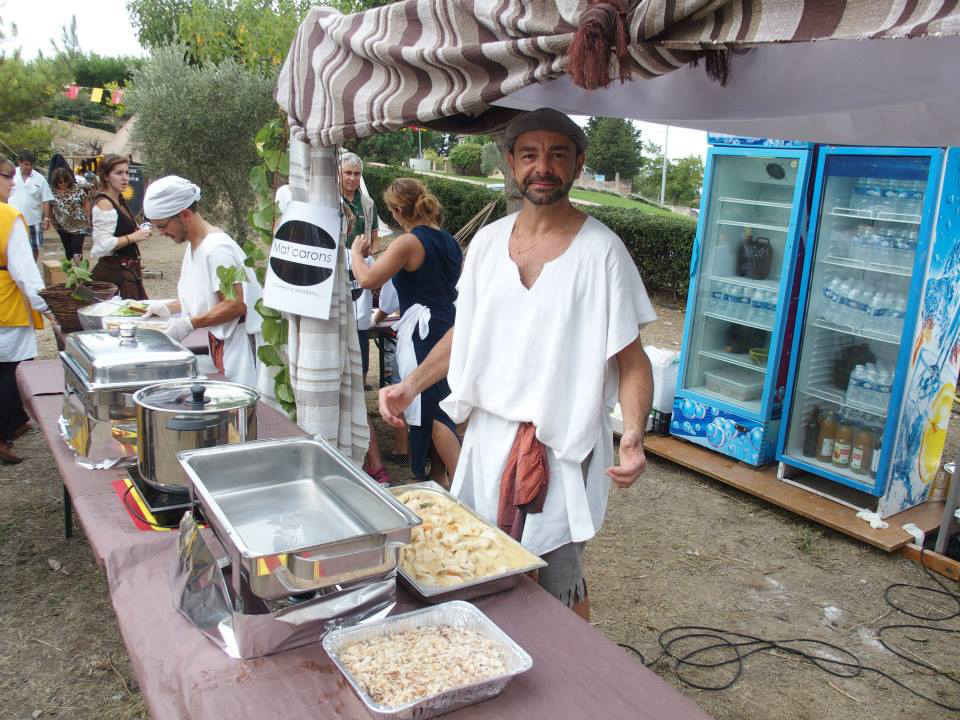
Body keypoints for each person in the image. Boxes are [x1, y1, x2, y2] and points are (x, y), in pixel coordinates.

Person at [379, 109, 656, 619]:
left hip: (561, 449)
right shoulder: (486, 244)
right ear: (511, 163)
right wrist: (411, 385)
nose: (542, 167)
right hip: (487, 441)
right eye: (530, 155)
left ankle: (576, 681)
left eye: (557, 154)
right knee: (484, 567)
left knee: (558, 580)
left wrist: (634, 433)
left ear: (578, 164)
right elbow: (466, 333)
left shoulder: (603, 253)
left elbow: (632, 360)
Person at [352, 178, 462, 484]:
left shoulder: (408, 242)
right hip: (448, 323)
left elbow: (368, 280)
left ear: (398, 211)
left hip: (423, 333)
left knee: (433, 410)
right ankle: (438, 476)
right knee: (441, 402)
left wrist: (356, 255)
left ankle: (465, 485)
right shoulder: (449, 240)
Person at [141, 176, 262, 388]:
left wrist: (189, 323)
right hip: (222, 345)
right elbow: (209, 295)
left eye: (162, 226)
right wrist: (169, 308)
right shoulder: (195, 246)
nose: (161, 233)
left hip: (242, 349)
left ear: (185, 214)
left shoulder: (217, 250)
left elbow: (235, 304)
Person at [0, 158, 55, 464]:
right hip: (5, 304)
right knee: (13, 369)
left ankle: (16, 422)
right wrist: (47, 305)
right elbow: (24, 270)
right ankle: (2, 433)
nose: (12, 183)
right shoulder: (7, 216)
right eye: (7, 178)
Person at [340, 152, 380, 387]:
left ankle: (362, 384)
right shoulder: (331, 200)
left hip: (359, 269)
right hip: (337, 269)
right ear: (339, 173)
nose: (352, 178)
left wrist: (369, 253)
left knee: (360, 326)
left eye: (356, 174)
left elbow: (375, 239)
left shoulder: (367, 203)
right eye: (348, 173)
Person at [90, 154, 150, 299]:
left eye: (127, 173)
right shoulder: (105, 203)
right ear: (106, 176)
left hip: (127, 272)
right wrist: (133, 237)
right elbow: (102, 245)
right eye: (118, 173)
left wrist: (138, 231)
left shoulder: (118, 201)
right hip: (115, 274)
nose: (125, 178)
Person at [8, 150, 53, 260]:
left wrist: (47, 218)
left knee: (34, 248)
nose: (29, 167)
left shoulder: (40, 178)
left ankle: (32, 269)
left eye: (31, 164)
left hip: (33, 221)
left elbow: (46, 199)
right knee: (13, 248)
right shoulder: (10, 175)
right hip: (13, 220)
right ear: (19, 162)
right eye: (26, 164)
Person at [50, 167, 91, 260]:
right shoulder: (52, 192)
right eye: (60, 182)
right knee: (68, 250)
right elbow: (49, 206)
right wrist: (50, 220)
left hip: (79, 222)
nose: (63, 184)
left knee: (77, 248)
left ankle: (79, 269)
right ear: (56, 182)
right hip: (62, 224)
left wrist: (88, 216)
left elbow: (86, 202)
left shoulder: (76, 189)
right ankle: (71, 270)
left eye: (65, 181)